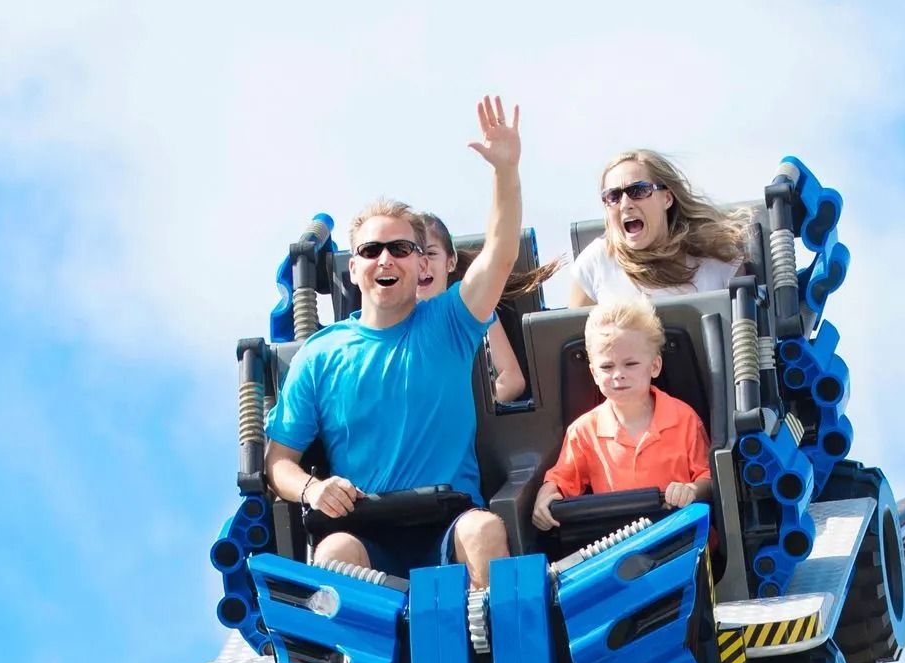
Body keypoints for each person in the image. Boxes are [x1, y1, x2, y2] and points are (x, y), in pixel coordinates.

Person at [262, 96, 524, 591]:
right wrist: (314, 490)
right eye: (371, 250)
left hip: (449, 520)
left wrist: (505, 173)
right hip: (367, 529)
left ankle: (492, 648)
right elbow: (279, 463)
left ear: (422, 265)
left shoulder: (450, 321)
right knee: (334, 553)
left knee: (485, 530)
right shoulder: (320, 354)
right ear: (354, 267)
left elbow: (502, 252)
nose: (386, 259)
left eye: (401, 249)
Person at [532, 298, 711, 533]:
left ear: (655, 366)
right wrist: (544, 498)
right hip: (617, 545)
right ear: (594, 373)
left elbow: (708, 479)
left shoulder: (684, 418)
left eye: (631, 364)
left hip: (681, 536)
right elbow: (561, 480)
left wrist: (691, 490)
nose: (618, 374)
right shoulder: (583, 431)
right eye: (607, 367)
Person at [567, 149, 751, 305]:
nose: (625, 204)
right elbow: (571, 342)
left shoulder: (719, 261)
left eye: (638, 190)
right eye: (613, 196)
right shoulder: (594, 264)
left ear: (667, 198)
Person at [416, 211, 556, 403]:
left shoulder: (474, 307)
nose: (422, 264)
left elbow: (512, 379)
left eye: (431, 254)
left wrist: (467, 409)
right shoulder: (391, 320)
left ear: (450, 261)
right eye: (413, 255)